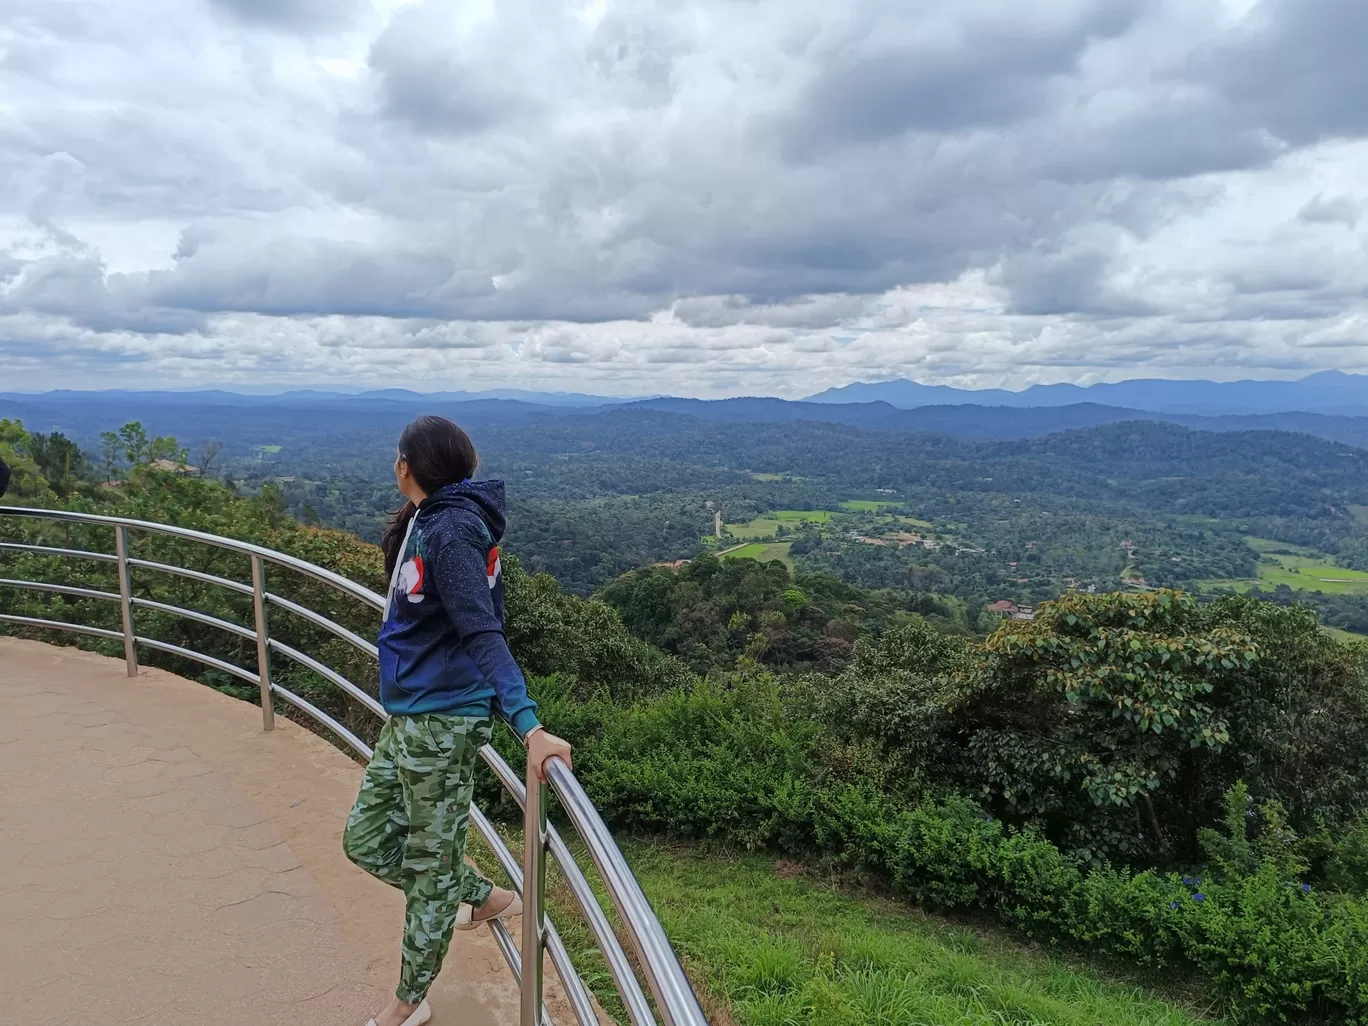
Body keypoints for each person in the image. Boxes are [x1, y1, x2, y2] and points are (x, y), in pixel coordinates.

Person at [343, 415, 572, 1026]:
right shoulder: (430, 516)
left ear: (407, 467)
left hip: (442, 725)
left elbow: (482, 630)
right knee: (363, 840)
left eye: (397, 456)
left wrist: (529, 725)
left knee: (428, 866)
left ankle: (409, 1002)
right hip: (411, 717)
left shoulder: (452, 532)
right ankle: (477, 895)